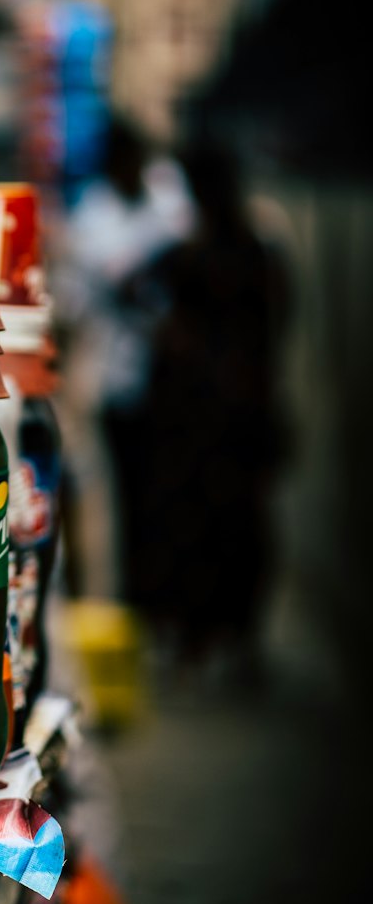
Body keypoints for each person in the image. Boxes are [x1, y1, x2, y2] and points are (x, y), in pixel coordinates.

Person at [139, 139, 292, 681]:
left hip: (220, 420)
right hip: (209, 419)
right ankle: (215, 641)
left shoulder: (229, 254)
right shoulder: (225, 252)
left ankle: (222, 642)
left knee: (223, 529)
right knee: (214, 529)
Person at [53, 115, 194, 609]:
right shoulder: (93, 218)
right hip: (116, 379)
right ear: (113, 166)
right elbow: (100, 290)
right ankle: (141, 598)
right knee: (135, 488)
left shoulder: (166, 195)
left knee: (174, 489)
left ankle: (167, 595)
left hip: (173, 380)